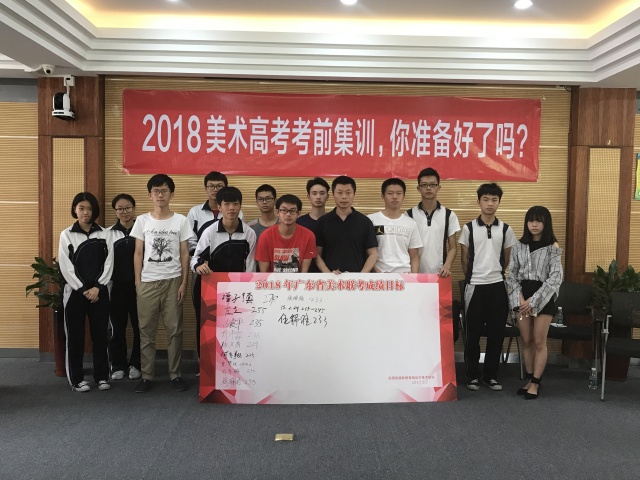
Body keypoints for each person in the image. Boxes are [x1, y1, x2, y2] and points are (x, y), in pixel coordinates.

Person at [131, 174, 194, 393]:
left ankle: (175, 375)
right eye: (156, 191)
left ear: (171, 194)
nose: (160, 195)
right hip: (147, 282)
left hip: (173, 281)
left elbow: (185, 253)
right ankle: (147, 376)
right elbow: (138, 253)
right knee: (146, 331)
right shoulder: (142, 221)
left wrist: (184, 282)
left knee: (174, 330)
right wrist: (138, 282)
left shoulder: (181, 221)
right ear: (150, 195)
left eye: (164, 191)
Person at [459, 183, 516, 392]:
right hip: (474, 286)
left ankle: (491, 376)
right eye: (486, 199)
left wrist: (494, 273)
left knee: (496, 334)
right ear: (479, 202)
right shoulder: (468, 228)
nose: (490, 203)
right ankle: (472, 376)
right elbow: (464, 259)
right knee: (472, 334)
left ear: (499, 202)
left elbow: (507, 258)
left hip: (497, 286)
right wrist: (474, 276)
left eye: (494, 200)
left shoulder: (506, 229)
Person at [59, 192, 114, 392]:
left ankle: (102, 377)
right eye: (81, 208)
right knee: (75, 337)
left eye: (89, 208)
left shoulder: (105, 234)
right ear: (75, 210)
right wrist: (83, 289)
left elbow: (109, 263)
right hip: (75, 294)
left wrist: (97, 287)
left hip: (99, 292)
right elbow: (66, 266)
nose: (85, 212)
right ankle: (77, 379)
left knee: (101, 336)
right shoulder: (66, 234)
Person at [507, 206, 563, 400]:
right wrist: (521, 298)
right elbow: (511, 275)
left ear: (546, 223)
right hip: (521, 296)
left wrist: (534, 299)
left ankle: (536, 383)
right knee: (527, 339)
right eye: (531, 220)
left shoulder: (552, 247)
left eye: (539, 221)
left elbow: (555, 277)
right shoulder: (518, 245)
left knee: (539, 341)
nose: (534, 224)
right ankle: (530, 379)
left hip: (543, 296)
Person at [186, 171, 242, 365]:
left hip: (230, 278)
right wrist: (200, 261)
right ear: (206, 188)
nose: (215, 189)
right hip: (205, 272)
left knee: (231, 319)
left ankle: (229, 362)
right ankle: (204, 363)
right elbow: (191, 241)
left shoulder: (236, 211)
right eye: (211, 186)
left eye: (219, 186)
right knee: (205, 319)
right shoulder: (195, 212)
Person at [108, 193, 141, 381]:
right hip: (117, 288)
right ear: (115, 211)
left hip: (139, 287)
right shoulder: (108, 233)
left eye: (127, 208)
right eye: (120, 209)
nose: (124, 212)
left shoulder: (143, 230)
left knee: (139, 327)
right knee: (117, 328)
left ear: (134, 209)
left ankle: (137, 364)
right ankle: (118, 364)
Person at [315, 176, 378, 273]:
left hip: (357, 278)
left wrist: (361, 276)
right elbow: (317, 254)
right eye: (339, 192)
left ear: (354, 194)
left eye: (348, 193)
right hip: (331, 278)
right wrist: (328, 274)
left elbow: (373, 254)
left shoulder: (365, 222)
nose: (344, 196)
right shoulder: (322, 222)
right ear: (333, 194)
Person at [407, 167, 460, 277]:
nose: (428, 188)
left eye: (432, 185)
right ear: (418, 188)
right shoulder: (408, 215)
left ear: (438, 187)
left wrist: (446, 266)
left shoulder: (449, 215)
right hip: (414, 274)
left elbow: (453, 247)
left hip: (440, 274)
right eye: (424, 185)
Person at [192, 186, 256, 276]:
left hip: (239, 281)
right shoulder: (210, 231)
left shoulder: (249, 233)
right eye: (226, 204)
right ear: (219, 207)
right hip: (214, 280)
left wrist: (248, 282)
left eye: (235, 204)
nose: (231, 208)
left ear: (240, 206)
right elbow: (195, 258)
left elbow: (251, 265)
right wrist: (198, 266)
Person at [368, 178, 422, 273]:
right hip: (379, 275)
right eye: (390, 193)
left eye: (399, 193)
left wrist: (413, 277)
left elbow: (414, 256)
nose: (395, 197)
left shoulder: (411, 223)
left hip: (405, 275)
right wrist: (377, 273)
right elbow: (367, 253)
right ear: (382, 196)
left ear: (404, 196)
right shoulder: (371, 220)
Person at [256, 194, 317, 273]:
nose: (288, 214)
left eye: (292, 211)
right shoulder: (265, 236)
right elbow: (263, 273)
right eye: (284, 210)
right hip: (272, 280)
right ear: (278, 212)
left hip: (297, 280)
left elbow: (303, 273)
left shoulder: (308, 236)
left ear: (298, 213)